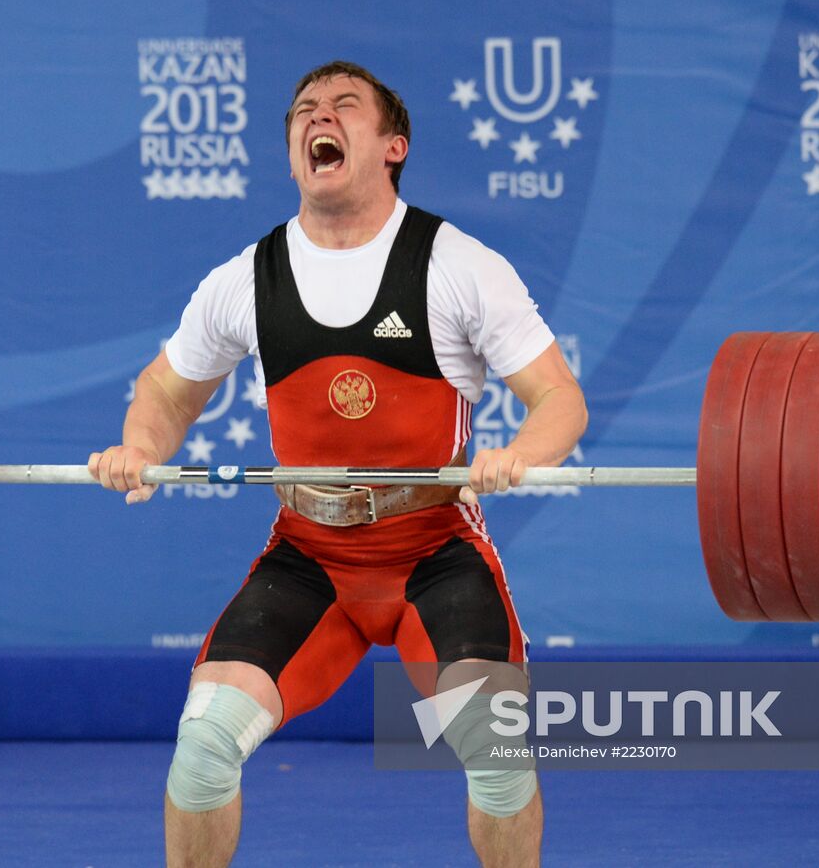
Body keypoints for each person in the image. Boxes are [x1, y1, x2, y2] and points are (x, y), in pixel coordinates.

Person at [88, 60, 587, 867]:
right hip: (311, 559)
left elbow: (560, 398)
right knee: (203, 746)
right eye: (304, 111)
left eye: (344, 105)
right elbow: (167, 392)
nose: (319, 115)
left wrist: (521, 456)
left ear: (392, 146)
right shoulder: (246, 279)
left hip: (435, 553)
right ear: (293, 152)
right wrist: (142, 448)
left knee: (495, 752)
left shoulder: (456, 264)